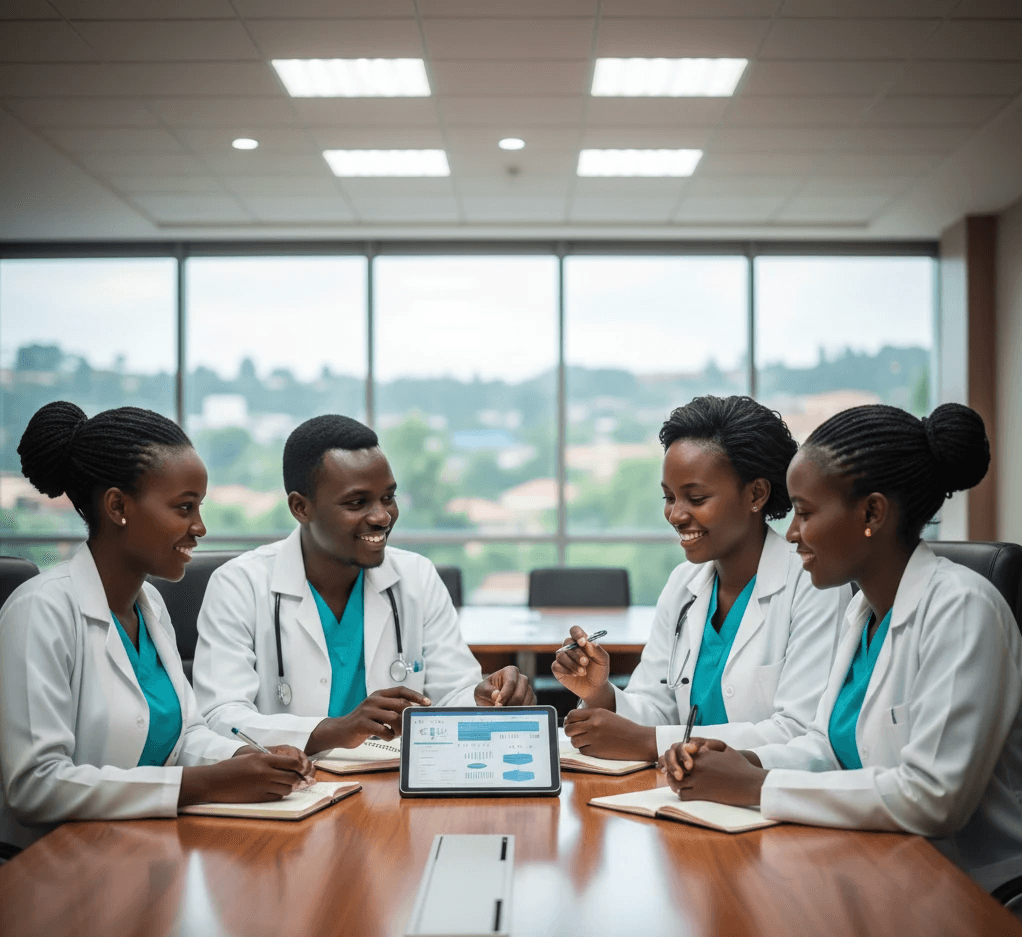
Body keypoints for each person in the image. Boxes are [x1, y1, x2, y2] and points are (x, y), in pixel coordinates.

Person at [660, 402, 1022, 892]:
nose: (790, 533)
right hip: (872, 866)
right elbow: (828, 750)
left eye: (805, 513)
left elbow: (933, 797)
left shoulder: (963, 609)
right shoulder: (862, 612)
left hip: (964, 891)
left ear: (872, 512)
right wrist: (745, 762)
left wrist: (759, 785)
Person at [0, 402, 312, 851]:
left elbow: (183, 736)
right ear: (117, 506)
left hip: (142, 854)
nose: (200, 527)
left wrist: (246, 757)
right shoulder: (40, 612)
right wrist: (201, 784)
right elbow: (36, 785)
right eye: (184, 508)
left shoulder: (151, 608)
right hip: (57, 874)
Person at [193, 414, 535, 754]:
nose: (382, 516)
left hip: (393, 789)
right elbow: (222, 717)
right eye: (357, 503)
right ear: (300, 507)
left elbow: (450, 693)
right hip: (289, 792)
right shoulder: (239, 585)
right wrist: (336, 730)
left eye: (387, 498)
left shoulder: (417, 577)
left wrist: (482, 697)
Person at [553, 395, 850, 762]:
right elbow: (656, 707)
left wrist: (650, 743)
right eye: (669, 497)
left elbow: (798, 731)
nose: (676, 515)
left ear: (756, 493)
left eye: (695, 498)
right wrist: (601, 694)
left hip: (761, 800)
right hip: (683, 792)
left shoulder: (812, 584)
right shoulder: (683, 584)